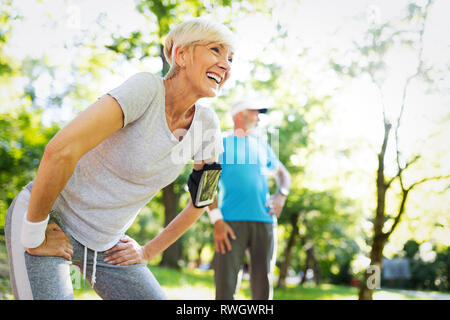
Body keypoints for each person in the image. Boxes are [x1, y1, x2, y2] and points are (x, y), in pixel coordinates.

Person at [4, 18, 234, 300]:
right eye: (215, 50)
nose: (226, 65)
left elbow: (202, 200)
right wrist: (33, 235)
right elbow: (61, 151)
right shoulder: (146, 89)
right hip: (48, 223)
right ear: (181, 55)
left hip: (107, 246)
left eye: (230, 58)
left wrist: (147, 251)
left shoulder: (207, 126)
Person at [207, 99, 291, 300]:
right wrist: (216, 221)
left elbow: (284, 174)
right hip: (229, 224)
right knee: (225, 285)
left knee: (263, 285)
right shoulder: (220, 143)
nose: (259, 118)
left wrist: (281, 195)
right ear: (239, 114)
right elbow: (208, 185)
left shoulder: (261, 145)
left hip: (265, 221)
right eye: (255, 113)